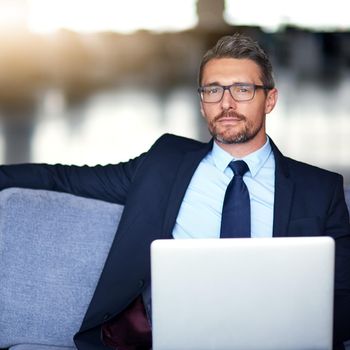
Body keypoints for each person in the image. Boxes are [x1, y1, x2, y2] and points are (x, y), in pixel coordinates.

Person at [1, 33, 350, 350]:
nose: (226, 103)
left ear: (270, 99)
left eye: (242, 89)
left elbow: (343, 296)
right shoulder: (163, 163)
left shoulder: (320, 188)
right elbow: (62, 179)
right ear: (202, 103)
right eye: (213, 90)